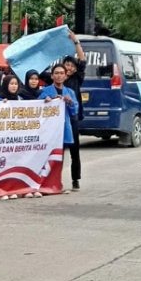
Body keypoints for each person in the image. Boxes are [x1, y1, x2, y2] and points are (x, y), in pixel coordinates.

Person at [39, 64, 79, 192]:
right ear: (52, 76)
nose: (59, 75)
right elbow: (38, 105)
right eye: (56, 73)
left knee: (61, 156)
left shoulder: (70, 92)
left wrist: (70, 102)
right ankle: (47, 182)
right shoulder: (46, 91)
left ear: (65, 76)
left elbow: (74, 111)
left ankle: (61, 182)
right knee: (50, 157)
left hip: (64, 128)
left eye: (62, 73)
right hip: (50, 130)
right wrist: (47, 100)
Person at [63, 31, 86, 191]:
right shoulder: (55, 79)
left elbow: (82, 60)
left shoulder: (77, 79)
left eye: (72, 66)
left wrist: (76, 42)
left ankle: (75, 179)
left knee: (74, 149)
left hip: (73, 117)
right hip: (57, 119)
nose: (69, 68)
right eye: (67, 65)